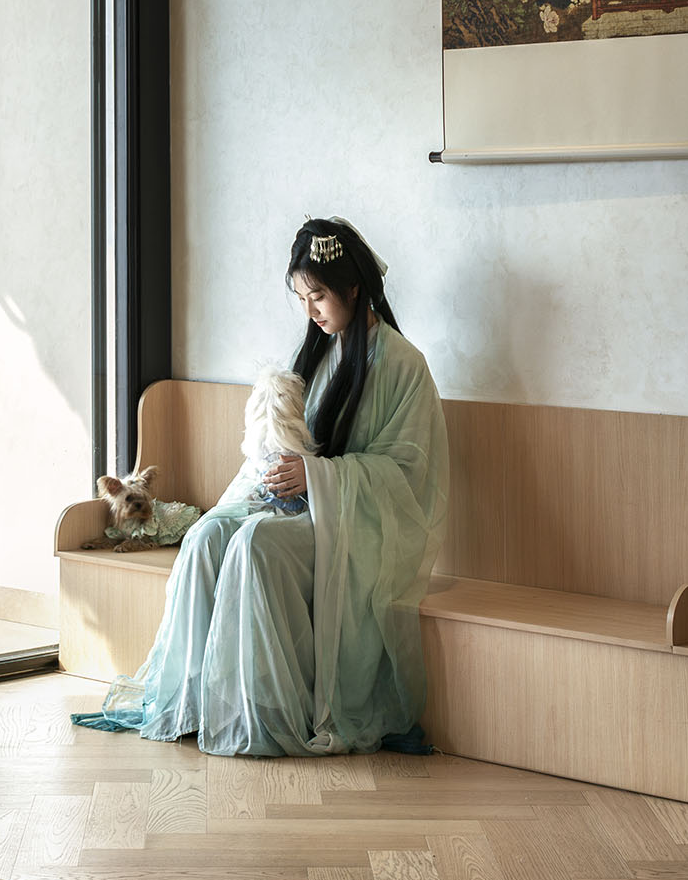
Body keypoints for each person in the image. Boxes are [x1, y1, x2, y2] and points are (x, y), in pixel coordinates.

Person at [73, 218, 449, 757]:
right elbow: (281, 440)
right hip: (298, 504)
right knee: (206, 536)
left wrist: (318, 476)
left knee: (255, 543)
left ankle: (265, 710)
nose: (311, 311)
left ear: (353, 287)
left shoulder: (405, 366)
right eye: (301, 299)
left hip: (354, 525)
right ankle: (198, 702)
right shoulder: (317, 355)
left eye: (318, 296)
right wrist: (271, 468)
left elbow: (408, 476)